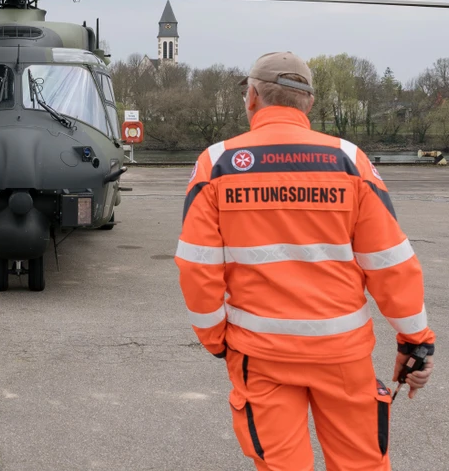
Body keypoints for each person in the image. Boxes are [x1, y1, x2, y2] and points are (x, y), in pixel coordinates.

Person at [174, 52, 435, 470]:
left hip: (260, 355)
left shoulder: (217, 162)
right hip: (343, 354)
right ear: (308, 103)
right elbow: (389, 262)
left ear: (252, 97)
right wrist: (415, 341)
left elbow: (197, 266)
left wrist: (215, 339)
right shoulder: (350, 160)